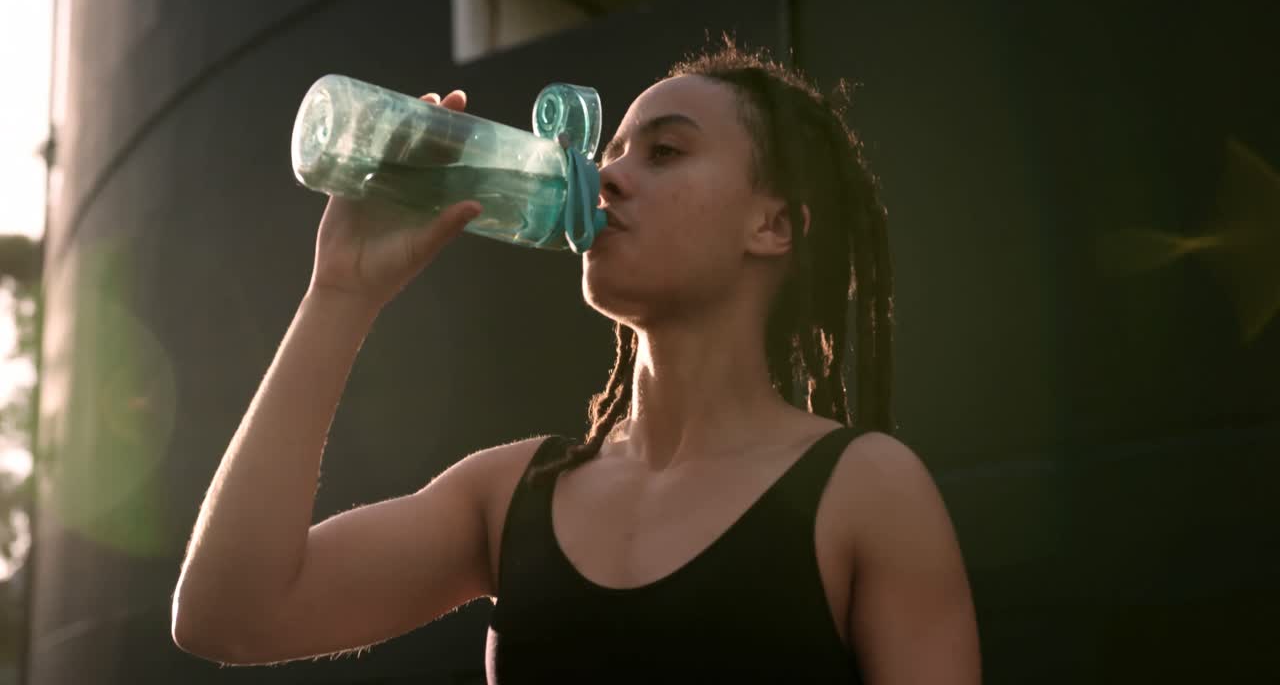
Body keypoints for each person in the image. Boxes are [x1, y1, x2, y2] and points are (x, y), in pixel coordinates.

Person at [171, 39, 980, 683]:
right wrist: (340, 293)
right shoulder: (509, 497)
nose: (607, 177)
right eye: (614, 150)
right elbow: (228, 616)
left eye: (663, 153)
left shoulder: (866, 490)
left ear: (773, 227)